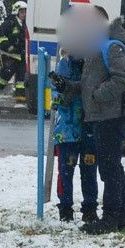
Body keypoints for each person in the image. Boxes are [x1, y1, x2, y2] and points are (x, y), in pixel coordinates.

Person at [52, 5, 125, 235]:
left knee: (110, 170)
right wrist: (69, 86)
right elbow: (89, 84)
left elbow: (122, 79)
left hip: (109, 116)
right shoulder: (97, 46)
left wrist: (98, 96)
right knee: (112, 168)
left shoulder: (111, 46)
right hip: (100, 116)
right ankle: (120, 217)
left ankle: (110, 218)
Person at [50, 51, 98, 223]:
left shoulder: (95, 61)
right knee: (66, 170)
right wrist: (64, 93)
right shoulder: (64, 64)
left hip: (89, 126)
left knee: (89, 170)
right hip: (68, 128)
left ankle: (90, 208)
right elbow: (55, 98)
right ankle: (65, 208)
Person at [0, 1, 28, 103]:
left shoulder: (26, 25)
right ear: (16, 12)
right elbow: (1, 39)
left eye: (25, 12)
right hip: (9, 54)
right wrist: (10, 48)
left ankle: (20, 94)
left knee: (22, 75)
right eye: (22, 12)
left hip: (21, 54)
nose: (24, 14)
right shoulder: (8, 23)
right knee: (6, 74)